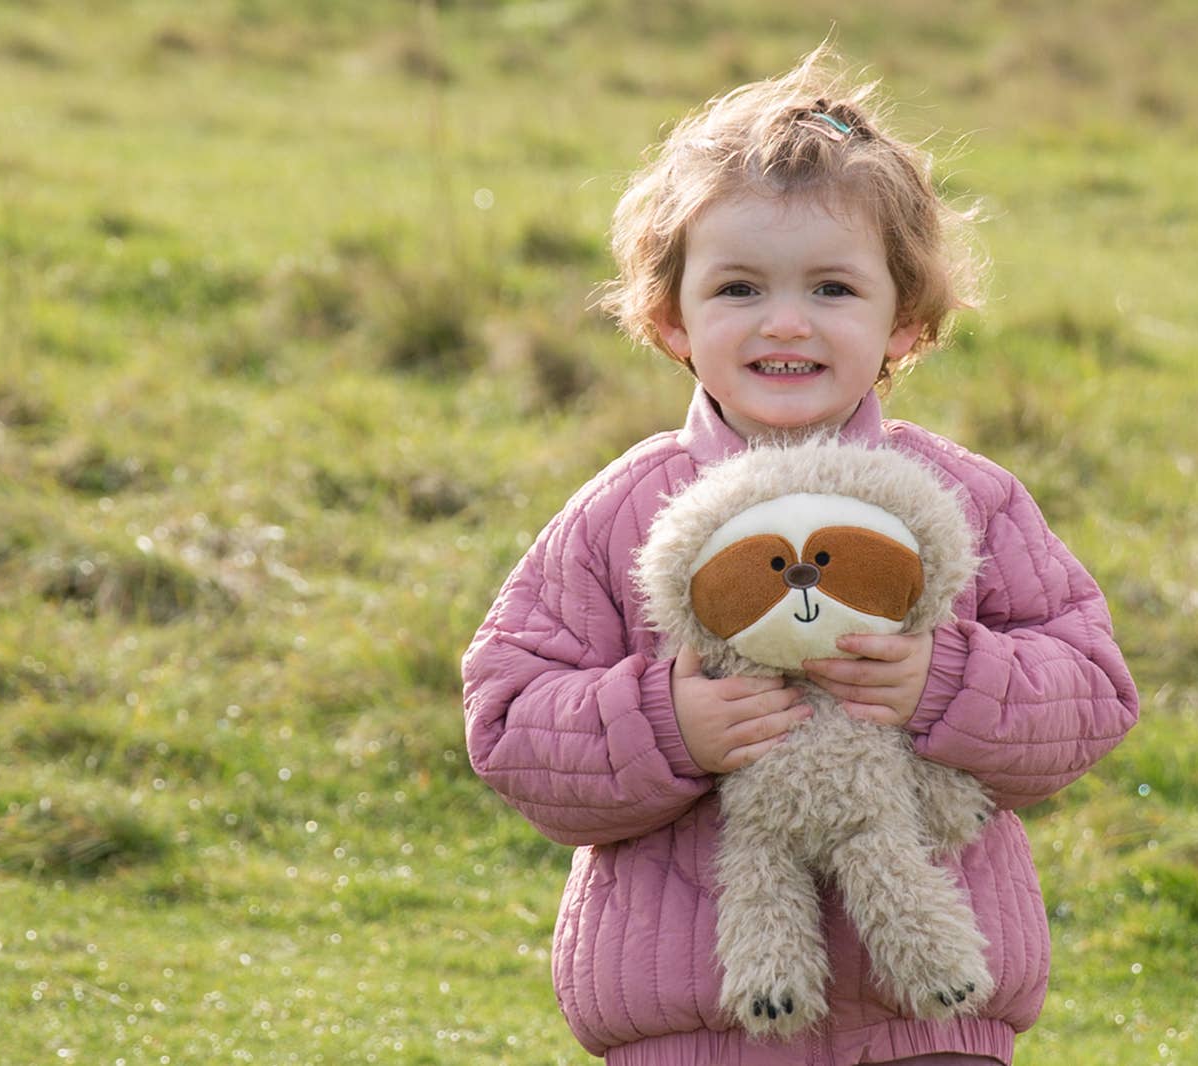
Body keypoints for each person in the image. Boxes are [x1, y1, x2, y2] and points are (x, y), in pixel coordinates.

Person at [461, 45, 1140, 1066]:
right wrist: (667, 721)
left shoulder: (967, 500)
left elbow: (1091, 691)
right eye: (738, 288)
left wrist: (942, 680)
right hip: (696, 1021)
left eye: (831, 287)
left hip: (930, 1017)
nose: (785, 321)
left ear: (904, 322)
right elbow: (509, 718)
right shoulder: (627, 511)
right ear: (668, 315)